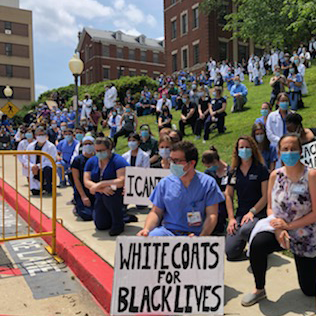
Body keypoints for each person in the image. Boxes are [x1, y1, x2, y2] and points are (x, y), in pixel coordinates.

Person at [242, 134, 316, 306]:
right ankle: (259, 289)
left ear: (300, 151)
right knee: (258, 244)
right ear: (279, 152)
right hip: (280, 230)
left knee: (310, 290)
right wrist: (278, 228)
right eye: (285, 149)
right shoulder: (275, 175)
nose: (289, 153)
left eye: (293, 149)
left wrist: (289, 225)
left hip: (306, 233)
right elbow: (270, 207)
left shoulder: (311, 175)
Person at [137, 141, 224, 237]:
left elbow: (212, 215)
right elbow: (156, 212)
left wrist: (201, 238)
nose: (172, 164)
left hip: (195, 235)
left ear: (191, 163)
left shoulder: (208, 184)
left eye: (177, 161)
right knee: (151, 238)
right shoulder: (165, 183)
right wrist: (146, 229)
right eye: (171, 160)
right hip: (168, 232)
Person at [225, 135, 269, 260]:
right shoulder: (233, 172)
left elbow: (265, 196)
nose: (244, 150)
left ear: (253, 149)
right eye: (241, 147)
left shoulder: (261, 169)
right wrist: (232, 218)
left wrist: (252, 212)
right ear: (237, 150)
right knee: (230, 252)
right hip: (240, 214)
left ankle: (261, 247)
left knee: (246, 230)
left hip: (258, 213)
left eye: (247, 147)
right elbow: (228, 195)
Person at [84, 137, 129, 236]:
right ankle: (122, 216)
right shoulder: (92, 161)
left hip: (115, 194)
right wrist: (101, 189)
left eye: (102, 150)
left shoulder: (118, 160)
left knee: (110, 192)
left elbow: (121, 180)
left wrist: (101, 184)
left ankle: (118, 224)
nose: (99, 153)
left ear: (109, 149)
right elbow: (86, 181)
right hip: (100, 194)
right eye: (97, 150)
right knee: (101, 225)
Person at [202, 146, 230, 234]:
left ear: (215, 161)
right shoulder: (208, 173)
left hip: (224, 203)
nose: (208, 168)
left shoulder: (229, 171)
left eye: (209, 166)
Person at [26, 127, 57, 196]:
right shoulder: (30, 146)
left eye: (43, 135)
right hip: (33, 169)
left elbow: (51, 159)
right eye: (39, 135)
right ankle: (39, 187)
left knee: (47, 169)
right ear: (35, 136)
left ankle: (48, 186)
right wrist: (32, 166)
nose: (41, 137)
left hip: (45, 169)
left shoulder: (51, 147)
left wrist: (38, 166)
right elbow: (25, 158)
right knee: (35, 192)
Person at [71, 136, 95, 221]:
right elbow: (76, 179)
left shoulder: (98, 159)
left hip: (95, 190)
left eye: (90, 144)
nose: (88, 146)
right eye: (86, 144)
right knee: (87, 215)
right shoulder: (77, 160)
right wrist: (83, 196)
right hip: (83, 191)